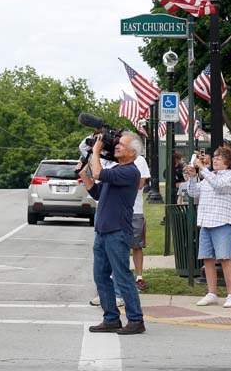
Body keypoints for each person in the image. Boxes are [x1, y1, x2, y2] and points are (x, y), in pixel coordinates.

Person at [78, 132, 145, 335]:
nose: (116, 146)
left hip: (117, 232)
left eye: (121, 145)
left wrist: (97, 152)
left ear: (132, 152)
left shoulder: (130, 172)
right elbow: (97, 191)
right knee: (100, 276)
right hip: (102, 231)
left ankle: (135, 320)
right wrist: (84, 174)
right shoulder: (116, 169)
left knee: (122, 276)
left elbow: (99, 173)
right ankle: (111, 318)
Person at [185, 145, 231, 308]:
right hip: (206, 222)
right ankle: (212, 293)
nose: (215, 159)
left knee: (225, 259)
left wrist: (202, 169)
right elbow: (194, 193)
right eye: (214, 157)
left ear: (228, 162)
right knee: (207, 259)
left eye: (219, 157)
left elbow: (218, 185)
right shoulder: (209, 176)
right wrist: (193, 177)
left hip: (223, 222)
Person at [130, 152, 151, 291]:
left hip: (135, 210)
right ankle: (118, 278)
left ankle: (139, 277)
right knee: (119, 247)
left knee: (136, 246)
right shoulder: (113, 159)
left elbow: (140, 183)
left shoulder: (139, 160)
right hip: (117, 212)